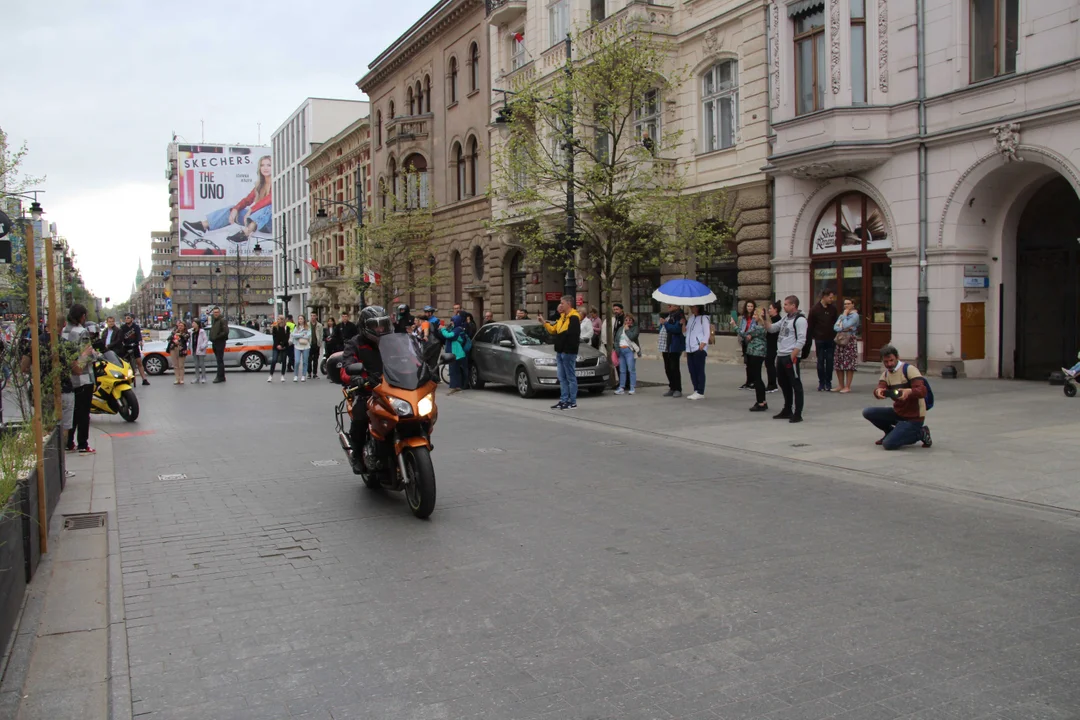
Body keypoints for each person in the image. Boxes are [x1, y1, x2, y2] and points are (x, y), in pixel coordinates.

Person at [339, 305, 393, 472]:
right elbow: (346, 368)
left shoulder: (392, 342)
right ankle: (356, 453)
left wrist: (423, 369)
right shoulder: (355, 343)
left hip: (391, 389)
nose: (380, 329)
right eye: (375, 325)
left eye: (382, 324)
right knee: (360, 416)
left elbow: (410, 359)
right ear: (365, 326)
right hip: (366, 391)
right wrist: (356, 378)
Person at [181, 155, 273, 247]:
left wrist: (251, 210)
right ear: (259, 167)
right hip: (257, 221)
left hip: (271, 223)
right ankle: (203, 226)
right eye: (262, 165)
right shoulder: (259, 186)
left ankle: (245, 234)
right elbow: (247, 200)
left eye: (269, 165)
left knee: (270, 207)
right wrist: (235, 209)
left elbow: (270, 198)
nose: (265, 168)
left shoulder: (277, 182)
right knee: (231, 209)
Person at [863, 344, 932, 450]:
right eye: (886, 362)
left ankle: (921, 433)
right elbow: (880, 387)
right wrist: (878, 391)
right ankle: (890, 432)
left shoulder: (909, 369)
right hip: (898, 412)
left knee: (889, 444)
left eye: (891, 360)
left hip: (914, 416)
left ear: (897, 357)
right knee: (868, 412)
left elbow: (922, 391)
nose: (889, 364)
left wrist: (909, 391)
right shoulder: (886, 375)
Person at [764, 295, 807, 423]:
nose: (784, 306)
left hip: (790, 356)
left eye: (787, 304)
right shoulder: (785, 319)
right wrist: (765, 318)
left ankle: (798, 413)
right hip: (781, 354)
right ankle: (787, 409)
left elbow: (801, 340)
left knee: (795, 384)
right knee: (783, 383)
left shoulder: (800, 320)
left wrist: (792, 356)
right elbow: (771, 329)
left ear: (794, 305)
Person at [62, 304, 96, 454]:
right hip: (83, 377)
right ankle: (83, 443)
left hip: (69, 378)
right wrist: (93, 354)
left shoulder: (64, 331)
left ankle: (69, 441)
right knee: (83, 413)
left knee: (73, 412)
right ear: (82, 316)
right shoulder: (82, 332)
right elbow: (86, 355)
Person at [539, 296, 582, 409]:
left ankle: (572, 401)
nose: (560, 305)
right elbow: (554, 330)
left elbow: (573, 336)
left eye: (562, 303)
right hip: (560, 351)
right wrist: (544, 322)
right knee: (562, 377)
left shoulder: (574, 317)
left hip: (568, 352)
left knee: (570, 377)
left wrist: (568, 349)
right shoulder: (563, 317)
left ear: (568, 304)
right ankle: (563, 400)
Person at [735, 306, 769, 412]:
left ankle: (760, 402)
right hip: (756, 352)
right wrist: (750, 336)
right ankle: (762, 400)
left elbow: (744, 333)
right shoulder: (759, 326)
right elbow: (749, 335)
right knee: (757, 377)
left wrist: (735, 326)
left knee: (756, 378)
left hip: (756, 353)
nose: (753, 316)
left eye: (755, 314)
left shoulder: (759, 327)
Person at [807, 288, 839, 392]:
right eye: (830, 297)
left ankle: (828, 382)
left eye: (832, 297)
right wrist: (810, 338)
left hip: (831, 339)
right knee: (820, 361)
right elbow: (810, 325)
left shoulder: (833, 309)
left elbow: (836, 322)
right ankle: (821, 382)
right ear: (824, 297)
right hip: (819, 339)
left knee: (830, 361)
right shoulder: (815, 309)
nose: (832, 299)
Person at [833, 298, 861, 393]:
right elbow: (836, 327)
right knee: (838, 362)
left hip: (850, 340)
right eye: (845, 304)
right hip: (840, 339)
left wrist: (844, 319)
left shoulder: (855, 315)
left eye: (848, 304)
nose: (846, 306)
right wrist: (844, 325)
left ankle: (848, 386)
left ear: (853, 305)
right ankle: (841, 385)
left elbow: (845, 325)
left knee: (849, 363)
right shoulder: (842, 315)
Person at [440, 314, 471, 395]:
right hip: (455, 353)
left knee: (453, 370)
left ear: (456, 321)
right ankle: (457, 386)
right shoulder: (457, 328)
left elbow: (450, 335)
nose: (451, 323)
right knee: (455, 370)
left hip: (455, 353)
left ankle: (453, 387)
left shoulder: (457, 330)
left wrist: (443, 330)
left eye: (452, 321)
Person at [684, 305, 710, 400]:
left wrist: (702, 344)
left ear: (698, 307)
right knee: (692, 370)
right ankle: (696, 389)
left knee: (699, 370)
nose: (691, 308)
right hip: (690, 348)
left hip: (698, 348)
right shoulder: (691, 318)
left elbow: (706, 332)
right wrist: (683, 324)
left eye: (693, 307)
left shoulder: (704, 318)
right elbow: (686, 332)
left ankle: (700, 391)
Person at [660, 305, 685, 397]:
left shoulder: (679, 316)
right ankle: (672, 387)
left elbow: (676, 329)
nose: (668, 306)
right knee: (667, 368)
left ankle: (677, 388)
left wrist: (665, 323)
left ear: (677, 306)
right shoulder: (669, 315)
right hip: (665, 346)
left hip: (674, 346)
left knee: (674, 368)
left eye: (671, 304)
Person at [119, 312, 149, 386]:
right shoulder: (123, 327)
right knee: (125, 363)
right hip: (126, 346)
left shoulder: (136, 327)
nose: (126, 319)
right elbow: (121, 337)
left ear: (132, 319)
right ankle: (126, 379)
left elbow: (139, 335)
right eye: (126, 318)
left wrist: (140, 341)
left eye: (128, 318)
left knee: (139, 362)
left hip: (134, 346)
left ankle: (144, 379)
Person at [614, 312, 640, 396]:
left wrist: (627, 330)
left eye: (630, 320)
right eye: (626, 320)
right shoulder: (620, 329)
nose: (628, 321)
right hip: (621, 351)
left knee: (631, 369)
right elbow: (616, 340)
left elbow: (632, 337)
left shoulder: (635, 328)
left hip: (629, 350)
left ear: (632, 321)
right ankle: (621, 387)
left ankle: (632, 387)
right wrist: (617, 350)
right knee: (622, 370)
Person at [736, 301, 757, 390]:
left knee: (752, 363)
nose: (749, 308)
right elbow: (741, 328)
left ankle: (753, 382)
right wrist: (741, 338)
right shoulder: (743, 318)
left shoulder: (755, 318)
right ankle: (748, 382)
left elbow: (754, 329)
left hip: (751, 341)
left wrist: (749, 335)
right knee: (747, 363)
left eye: (751, 306)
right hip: (745, 341)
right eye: (748, 306)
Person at [208, 307, 229, 383]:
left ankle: (220, 376)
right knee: (218, 360)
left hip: (220, 342)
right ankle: (222, 376)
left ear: (219, 313)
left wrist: (216, 337)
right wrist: (211, 337)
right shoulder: (215, 321)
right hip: (215, 342)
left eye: (217, 312)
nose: (215, 314)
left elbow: (225, 332)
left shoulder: (222, 320)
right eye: (214, 312)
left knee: (219, 360)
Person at [166, 320, 190, 385]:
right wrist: (174, 340)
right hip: (173, 348)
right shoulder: (174, 331)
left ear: (184, 327)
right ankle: (177, 379)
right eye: (179, 325)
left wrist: (181, 335)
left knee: (181, 365)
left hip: (181, 349)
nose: (180, 327)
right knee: (175, 365)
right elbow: (169, 338)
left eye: (182, 326)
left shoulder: (186, 333)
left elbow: (185, 338)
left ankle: (182, 379)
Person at [267, 316, 290, 383]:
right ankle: (271, 375)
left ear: (282, 320)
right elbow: (274, 337)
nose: (278, 320)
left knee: (284, 360)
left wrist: (282, 345)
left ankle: (282, 375)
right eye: (277, 319)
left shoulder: (286, 328)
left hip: (284, 346)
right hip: (276, 346)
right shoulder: (275, 328)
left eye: (279, 319)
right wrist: (277, 345)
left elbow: (286, 337)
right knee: (274, 360)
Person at [765, 301, 780, 393]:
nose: (769, 310)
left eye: (770, 308)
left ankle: (773, 384)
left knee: (770, 363)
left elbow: (772, 330)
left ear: (776, 310)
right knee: (768, 363)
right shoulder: (771, 318)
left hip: (773, 344)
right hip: (769, 343)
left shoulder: (777, 319)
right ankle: (771, 383)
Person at [291, 315, 312, 382]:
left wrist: (299, 335)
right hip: (297, 346)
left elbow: (308, 336)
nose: (300, 320)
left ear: (304, 320)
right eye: (299, 319)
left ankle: (303, 375)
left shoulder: (307, 327)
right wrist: (301, 334)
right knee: (297, 361)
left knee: (305, 361)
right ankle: (296, 375)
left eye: (301, 319)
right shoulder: (296, 327)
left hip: (306, 346)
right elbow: (293, 335)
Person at [189, 319, 209, 383]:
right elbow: (190, 340)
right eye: (192, 323)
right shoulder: (192, 332)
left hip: (200, 349)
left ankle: (204, 377)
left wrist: (202, 346)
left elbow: (205, 340)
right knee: (196, 364)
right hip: (194, 349)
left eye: (194, 323)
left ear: (197, 324)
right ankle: (197, 377)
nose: (193, 325)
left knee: (201, 364)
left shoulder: (202, 331)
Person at [308, 313, 323, 379]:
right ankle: (309, 373)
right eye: (311, 316)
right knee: (309, 359)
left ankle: (315, 373)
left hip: (316, 344)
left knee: (315, 359)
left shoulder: (319, 325)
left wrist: (319, 343)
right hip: (309, 344)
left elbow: (321, 334)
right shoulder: (308, 324)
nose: (312, 317)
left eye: (314, 316)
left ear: (316, 316)